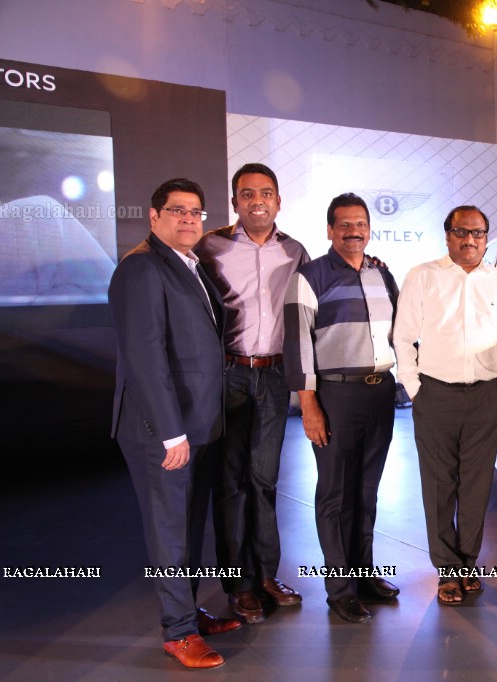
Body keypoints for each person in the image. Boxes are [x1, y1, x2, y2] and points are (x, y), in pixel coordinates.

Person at [109, 178, 240, 669]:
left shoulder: (193, 266)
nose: (188, 220)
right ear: (154, 215)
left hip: (199, 422)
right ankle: (178, 631)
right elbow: (145, 358)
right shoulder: (141, 268)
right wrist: (171, 432)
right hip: (162, 428)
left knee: (187, 523)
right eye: (178, 211)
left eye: (195, 212)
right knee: (169, 528)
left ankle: (188, 610)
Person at [195, 163, 308, 624]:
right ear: (235, 201)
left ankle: (265, 576)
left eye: (265, 193)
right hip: (229, 375)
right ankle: (238, 585)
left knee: (265, 481)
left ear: (278, 201)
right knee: (231, 484)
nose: (256, 200)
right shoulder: (210, 247)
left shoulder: (295, 251)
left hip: (275, 377)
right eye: (247, 194)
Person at [393, 205, 497, 606]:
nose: (470, 240)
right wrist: (415, 389)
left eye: (478, 233)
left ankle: (467, 565)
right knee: (438, 485)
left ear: (486, 238)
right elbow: (403, 337)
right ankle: (446, 570)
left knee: (477, 485)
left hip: (485, 395)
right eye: (462, 232)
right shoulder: (423, 276)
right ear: (447, 235)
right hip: (435, 395)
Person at [283, 192, 401, 623]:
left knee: (366, 490)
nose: (354, 231)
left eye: (361, 224)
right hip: (335, 395)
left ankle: (365, 575)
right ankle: (340, 589)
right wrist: (309, 405)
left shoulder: (382, 274)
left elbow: (400, 332)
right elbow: (296, 345)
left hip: (380, 392)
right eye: (345, 225)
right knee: (335, 493)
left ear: (369, 228)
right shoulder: (310, 276)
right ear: (330, 230)